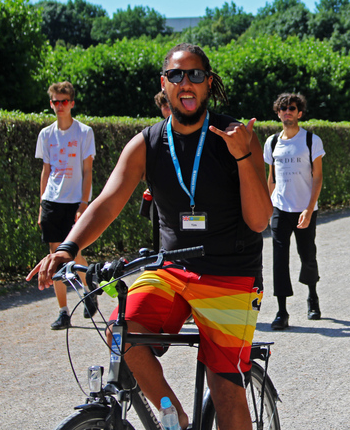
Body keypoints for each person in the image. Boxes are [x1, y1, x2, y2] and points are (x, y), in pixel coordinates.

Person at [28, 43, 273, 430]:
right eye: (176, 75)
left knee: (225, 389)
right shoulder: (147, 142)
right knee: (120, 332)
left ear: (209, 83)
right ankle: (174, 418)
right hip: (172, 271)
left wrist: (243, 155)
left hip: (231, 274)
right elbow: (108, 201)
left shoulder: (235, 137)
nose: (186, 82)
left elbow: (260, 220)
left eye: (195, 74)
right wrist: (69, 247)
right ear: (165, 83)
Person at [35, 81, 96, 330]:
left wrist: (84, 204)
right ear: (51, 104)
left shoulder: (84, 132)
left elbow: (87, 170)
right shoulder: (46, 134)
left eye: (64, 101)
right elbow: (45, 171)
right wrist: (41, 205)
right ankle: (63, 311)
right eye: (55, 102)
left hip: (74, 201)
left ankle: (88, 291)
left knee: (73, 251)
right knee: (54, 256)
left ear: (71, 103)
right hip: (52, 201)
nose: (59, 106)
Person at [263, 93, 325, 330]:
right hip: (280, 207)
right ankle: (282, 311)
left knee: (307, 255)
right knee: (279, 259)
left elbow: (317, 177)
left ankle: (312, 296)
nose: (287, 111)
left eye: (292, 108)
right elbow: (272, 177)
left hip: (305, 208)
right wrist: (269, 207)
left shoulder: (311, 140)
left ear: (300, 113)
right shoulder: (271, 142)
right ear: (278, 113)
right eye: (283, 108)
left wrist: (309, 209)